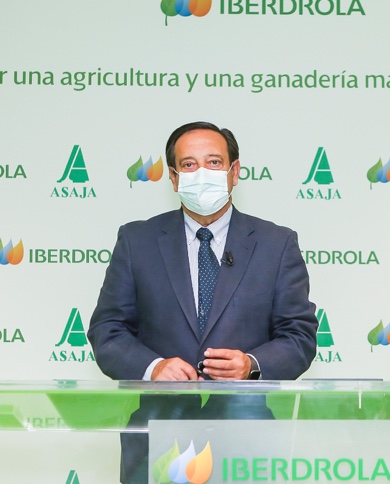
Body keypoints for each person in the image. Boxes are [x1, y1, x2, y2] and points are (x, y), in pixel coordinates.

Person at [88, 121, 318, 482]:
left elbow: (299, 336)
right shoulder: (138, 240)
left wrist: (252, 364)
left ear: (234, 171)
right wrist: (153, 368)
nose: (202, 173)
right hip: (160, 428)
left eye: (213, 162)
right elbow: (108, 330)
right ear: (175, 178)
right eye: (190, 165)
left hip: (247, 433)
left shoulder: (277, 243)